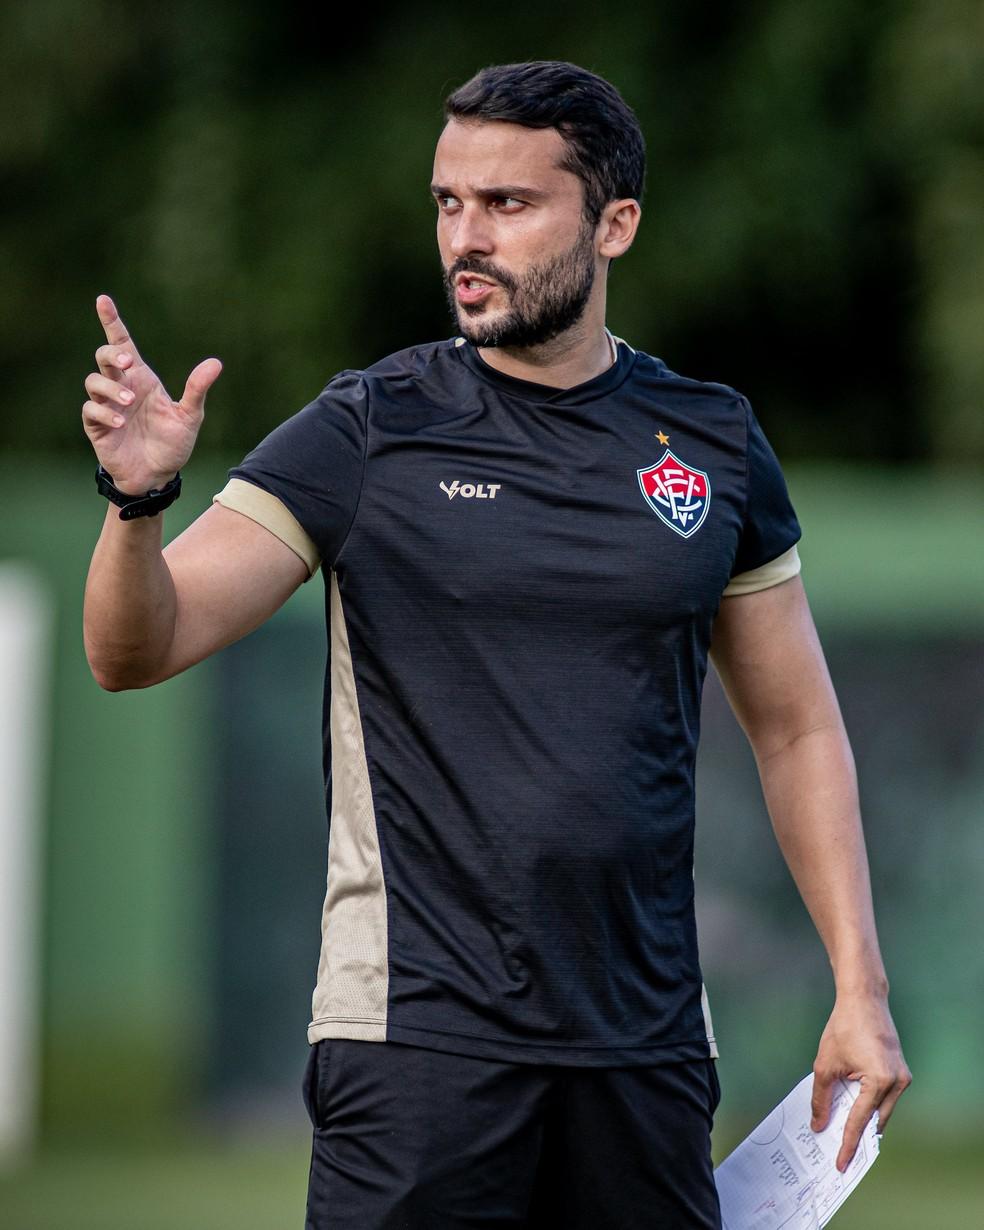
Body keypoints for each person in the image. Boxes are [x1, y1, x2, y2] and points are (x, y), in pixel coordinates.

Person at [82, 60, 910, 1230]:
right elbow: (135, 648)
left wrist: (860, 990)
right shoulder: (367, 429)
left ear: (615, 224)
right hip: (415, 1044)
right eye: (447, 203)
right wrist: (138, 502)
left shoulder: (713, 442)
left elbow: (798, 729)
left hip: (647, 1049)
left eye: (508, 203)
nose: (465, 238)